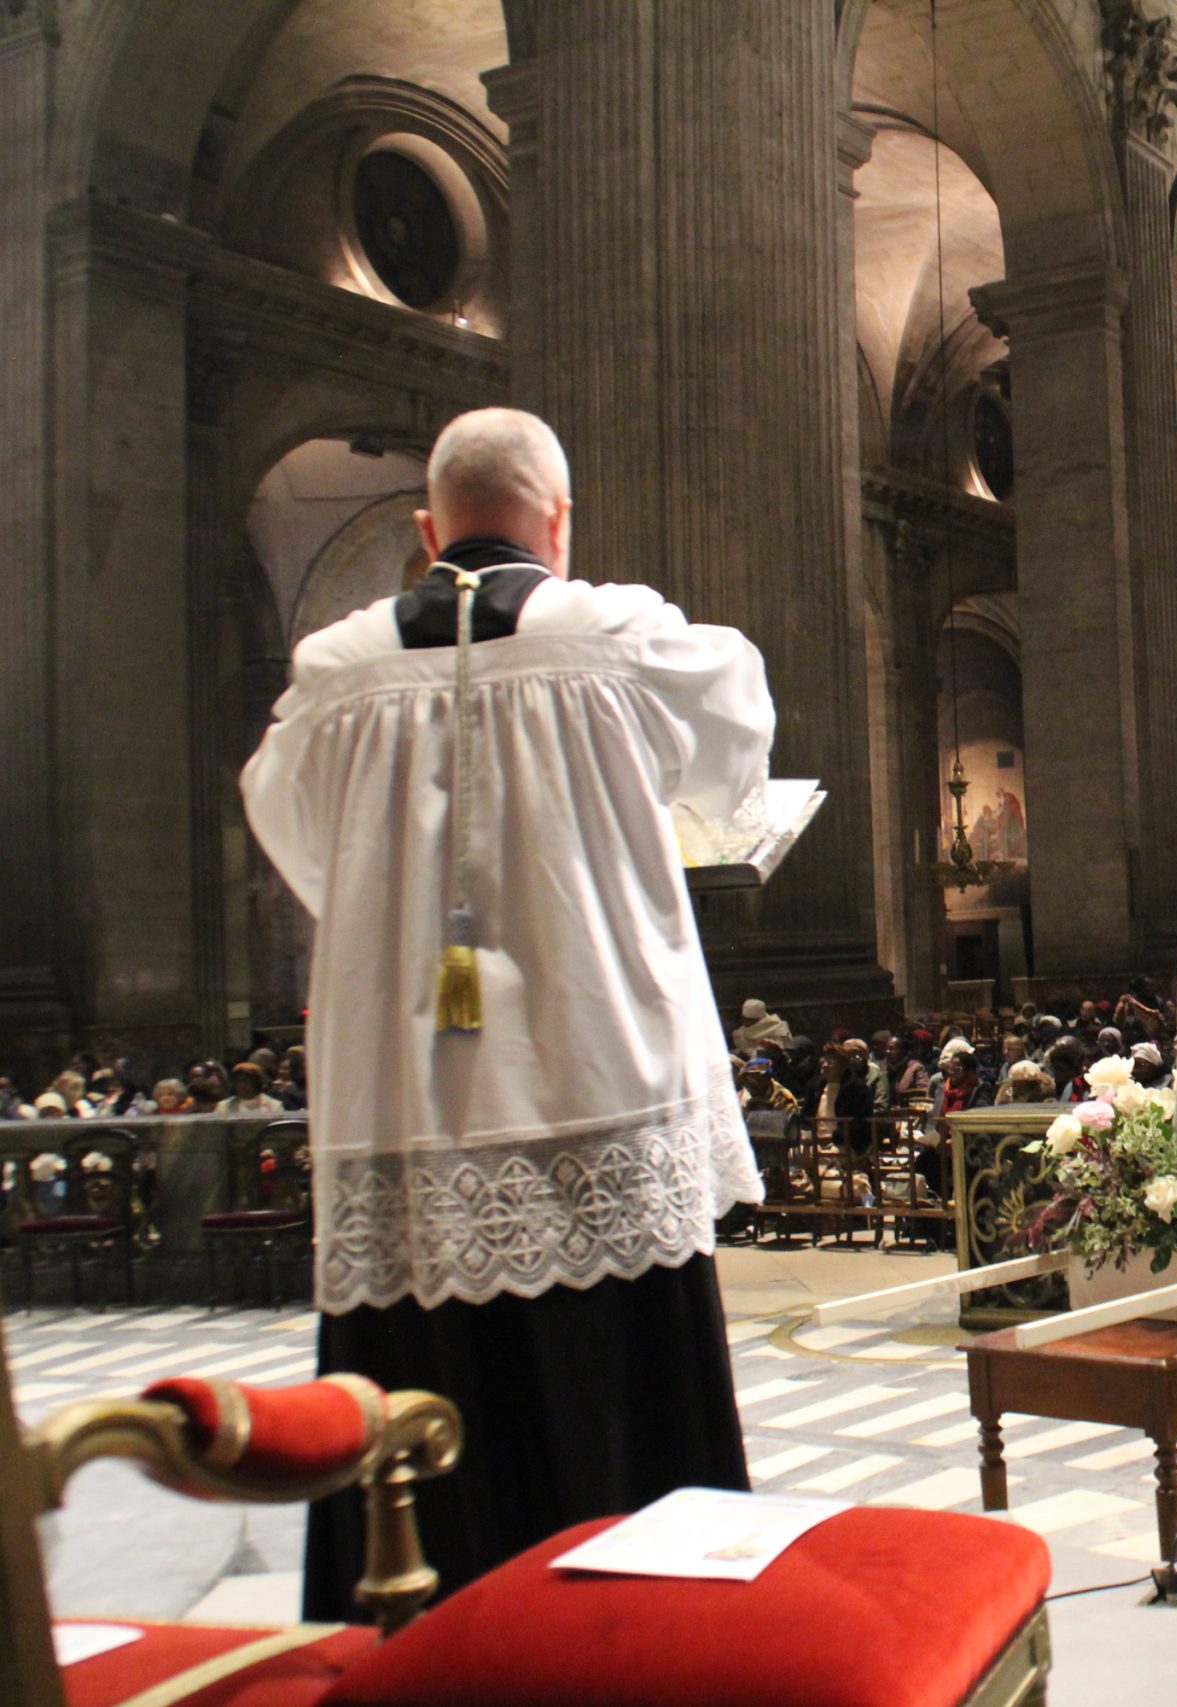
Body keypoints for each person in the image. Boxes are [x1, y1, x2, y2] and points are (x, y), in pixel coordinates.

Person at [242, 407, 765, 1619]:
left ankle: (426, 1647)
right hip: (597, 1072)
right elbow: (733, 761)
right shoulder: (621, 637)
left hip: (407, 1095)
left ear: (427, 532)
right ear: (559, 522)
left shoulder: (334, 673)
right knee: (624, 1405)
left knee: (422, 1393)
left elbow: (300, 840)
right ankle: (639, 1648)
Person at [215, 1062, 285, 1117]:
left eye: (246, 1080)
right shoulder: (223, 1107)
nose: (241, 1085)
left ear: (257, 1082)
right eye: (238, 1080)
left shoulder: (274, 1106)